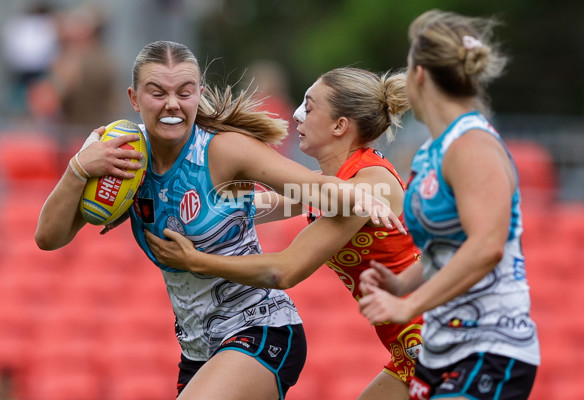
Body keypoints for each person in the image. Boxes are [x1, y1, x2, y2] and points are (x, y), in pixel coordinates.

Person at [34, 40, 399, 400]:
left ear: (198, 94)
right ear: (134, 98)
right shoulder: (125, 156)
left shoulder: (224, 149)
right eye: (157, 92)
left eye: (184, 91)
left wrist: (365, 195)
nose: (172, 104)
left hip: (260, 329)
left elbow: (314, 190)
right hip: (198, 350)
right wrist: (78, 169)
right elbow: (49, 238)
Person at [144, 66, 424, 400]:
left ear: (340, 126)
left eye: (309, 105)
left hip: (446, 341)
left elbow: (284, 270)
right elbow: (253, 204)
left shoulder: (367, 187)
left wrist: (197, 260)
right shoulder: (336, 183)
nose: (297, 114)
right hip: (413, 352)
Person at [358, 9, 540, 400]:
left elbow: (486, 246)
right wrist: (401, 283)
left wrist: (409, 306)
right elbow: (444, 252)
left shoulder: (472, 145)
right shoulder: (430, 153)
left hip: (491, 345)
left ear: (419, 75)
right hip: (441, 348)